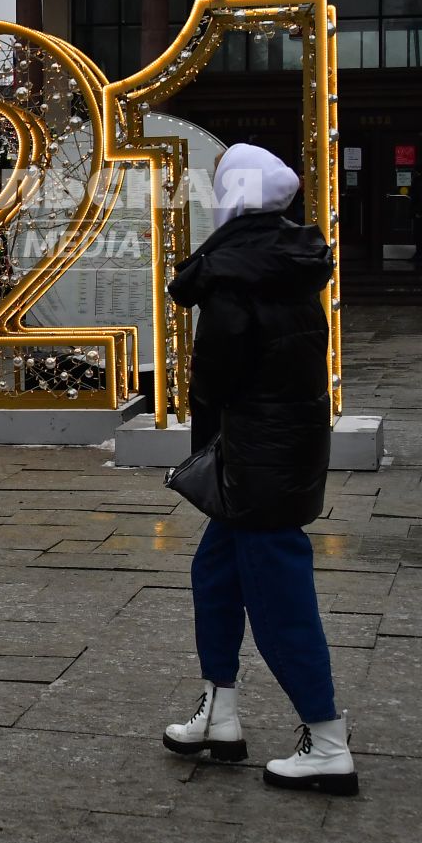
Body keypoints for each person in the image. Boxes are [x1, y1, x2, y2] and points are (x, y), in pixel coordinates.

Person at [162, 143, 356, 796]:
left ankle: (327, 740)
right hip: (283, 456)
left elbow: (214, 386)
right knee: (215, 574)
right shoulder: (286, 266)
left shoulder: (234, 276)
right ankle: (220, 712)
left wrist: (209, 461)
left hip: (255, 465)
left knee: (279, 598)